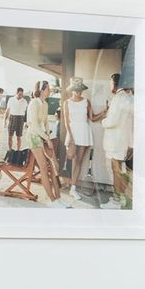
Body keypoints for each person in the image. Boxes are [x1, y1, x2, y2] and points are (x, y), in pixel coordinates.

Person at [62, 76, 104, 204]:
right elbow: (66, 122)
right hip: (73, 132)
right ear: (72, 90)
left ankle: (73, 189)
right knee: (70, 156)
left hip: (84, 132)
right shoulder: (66, 103)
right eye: (76, 89)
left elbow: (93, 118)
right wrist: (71, 138)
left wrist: (104, 112)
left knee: (79, 161)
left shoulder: (86, 101)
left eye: (81, 89)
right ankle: (66, 181)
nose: (79, 92)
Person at [101, 73, 134, 209]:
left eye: (110, 83)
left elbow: (112, 121)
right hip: (123, 142)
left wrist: (103, 121)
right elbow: (130, 124)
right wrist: (131, 144)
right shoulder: (128, 98)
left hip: (115, 143)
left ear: (115, 84)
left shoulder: (118, 98)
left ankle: (116, 201)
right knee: (120, 172)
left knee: (116, 172)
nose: (110, 86)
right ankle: (121, 199)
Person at [26, 80, 60, 202]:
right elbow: (34, 125)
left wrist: (48, 137)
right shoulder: (33, 103)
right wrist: (46, 139)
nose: (49, 91)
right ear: (42, 90)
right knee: (44, 168)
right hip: (33, 137)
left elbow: (45, 122)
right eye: (48, 89)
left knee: (52, 166)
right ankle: (52, 200)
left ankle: (58, 198)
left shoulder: (44, 104)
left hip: (42, 136)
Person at [5, 87, 28, 153]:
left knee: (19, 136)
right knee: (10, 136)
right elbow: (7, 110)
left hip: (21, 119)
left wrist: (26, 122)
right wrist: (5, 120)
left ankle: (18, 150)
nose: (21, 96)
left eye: (22, 94)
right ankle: (10, 150)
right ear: (16, 93)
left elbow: (26, 112)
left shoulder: (25, 101)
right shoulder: (11, 99)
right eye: (20, 94)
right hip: (12, 118)